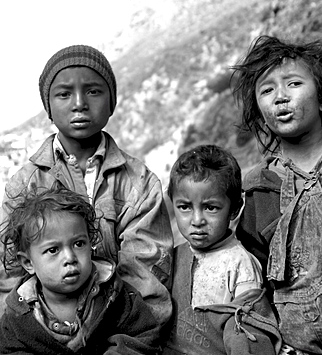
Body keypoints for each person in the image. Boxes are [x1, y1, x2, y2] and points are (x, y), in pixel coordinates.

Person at [0, 45, 173, 329]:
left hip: (121, 332)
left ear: (111, 103)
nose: (79, 103)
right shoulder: (25, 184)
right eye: (64, 93)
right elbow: (10, 275)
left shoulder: (139, 183)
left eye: (93, 91)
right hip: (43, 334)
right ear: (48, 107)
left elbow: (147, 277)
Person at [231, 35, 322, 354]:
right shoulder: (258, 191)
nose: (280, 97)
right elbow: (256, 285)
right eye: (267, 90)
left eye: (293, 83)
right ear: (260, 112)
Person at [0, 186, 161, 354]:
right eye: (53, 250)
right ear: (28, 263)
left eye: (79, 244)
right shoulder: (18, 316)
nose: (70, 258)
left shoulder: (114, 294)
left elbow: (144, 335)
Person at [163, 144, 281, 355]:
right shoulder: (175, 256)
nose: (197, 221)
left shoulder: (240, 264)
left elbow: (248, 330)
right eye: (185, 207)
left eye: (211, 208)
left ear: (235, 208)